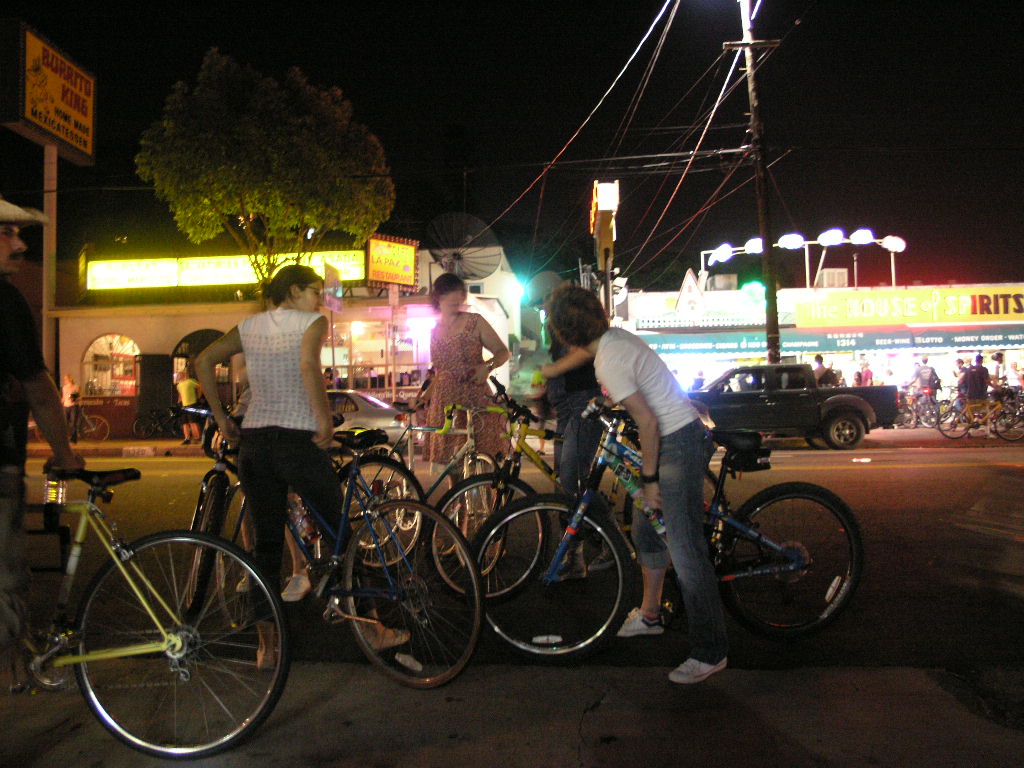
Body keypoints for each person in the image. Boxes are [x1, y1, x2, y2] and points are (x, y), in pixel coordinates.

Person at [196, 264, 408, 657]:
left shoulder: (250, 326)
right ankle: (372, 629)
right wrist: (324, 420)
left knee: (265, 549)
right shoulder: (311, 322)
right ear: (294, 291)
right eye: (314, 291)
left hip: (255, 446)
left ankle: (267, 647)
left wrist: (222, 418)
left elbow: (204, 360)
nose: (320, 300)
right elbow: (309, 365)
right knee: (341, 536)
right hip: (295, 442)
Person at [547, 284, 728, 685]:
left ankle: (711, 651)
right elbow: (635, 387)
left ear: (567, 335)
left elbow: (647, 421)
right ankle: (649, 615)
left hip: (678, 442)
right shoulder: (614, 339)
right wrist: (602, 401)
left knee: (685, 550)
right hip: (674, 436)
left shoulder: (607, 358)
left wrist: (649, 480)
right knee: (647, 530)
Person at [1, 197, 84, 651]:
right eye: (6, 233)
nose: (20, 244)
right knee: (4, 578)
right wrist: (65, 454)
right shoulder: (5, 300)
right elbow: (36, 383)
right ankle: (11, 668)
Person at [422, 273, 510, 475]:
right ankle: (456, 497)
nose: (456, 297)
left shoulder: (474, 321)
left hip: (475, 400)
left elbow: (503, 352)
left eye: (459, 292)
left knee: (483, 464)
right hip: (445, 404)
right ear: (438, 297)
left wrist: (487, 367)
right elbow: (440, 372)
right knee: (451, 467)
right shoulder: (434, 331)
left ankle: (486, 496)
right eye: (449, 293)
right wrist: (424, 397)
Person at [962, 354, 993, 437]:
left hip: (970, 394)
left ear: (975, 361)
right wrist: (996, 387)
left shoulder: (968, 370)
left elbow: (961, 381)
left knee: (971, 413)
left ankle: (969, 432)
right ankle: (987, 432)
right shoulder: (984, 369)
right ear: (982, 361)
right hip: (981, 395)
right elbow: (987, 381)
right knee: (985, 413)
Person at [175, 368, 203, 445]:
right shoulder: (179, 385)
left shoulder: (190, 381)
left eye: (180, 375)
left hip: (192, 404)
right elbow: (180, 395)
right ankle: (187, 438)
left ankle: (197, 437)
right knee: (184, 422)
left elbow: (200, 387)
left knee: (192, 421)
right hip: (184, 405)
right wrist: (179, 402)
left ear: (183, 375)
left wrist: (198, 397)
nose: (178, 377)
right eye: (178, 375)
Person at [61, 375, 81, 443]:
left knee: (73, 423)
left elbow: (78, 396)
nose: (64, 380)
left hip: (73, 406)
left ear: (70, 379)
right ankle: (65, 438)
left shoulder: (76, 387)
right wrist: (61, 402)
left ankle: (74, 438)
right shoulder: (64, 388)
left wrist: (74, 398)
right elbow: (64, 397)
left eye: (66, 379)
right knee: (65, 423)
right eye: (64, 379)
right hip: (65, 406)